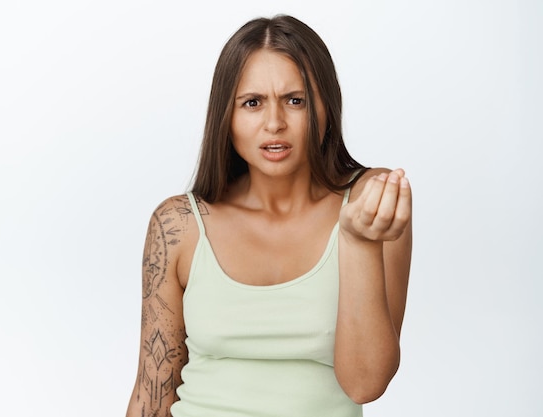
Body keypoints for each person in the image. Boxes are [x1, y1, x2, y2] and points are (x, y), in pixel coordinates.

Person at [126, 14, 412, 417]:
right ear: (226, 116)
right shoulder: (178, 225)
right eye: (252, 103)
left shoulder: (372, 201)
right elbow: (151, 396)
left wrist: (357, 241)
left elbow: (366, 383)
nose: (274, 123)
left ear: (326, 107)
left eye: (296, 101)